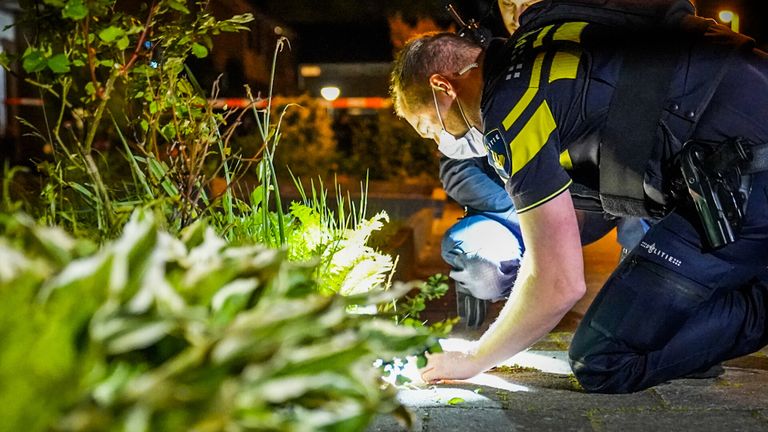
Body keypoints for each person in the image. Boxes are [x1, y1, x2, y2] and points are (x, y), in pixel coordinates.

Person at [390, 0, 768, 393]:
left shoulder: (512, 106)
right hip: (735, 160)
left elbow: (558, 282)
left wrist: (474, 358)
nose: (445, 141)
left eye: (430, 128)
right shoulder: (542, 38)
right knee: (656, 319)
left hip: (743, 177)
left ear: (443, 86)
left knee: (602, 360)